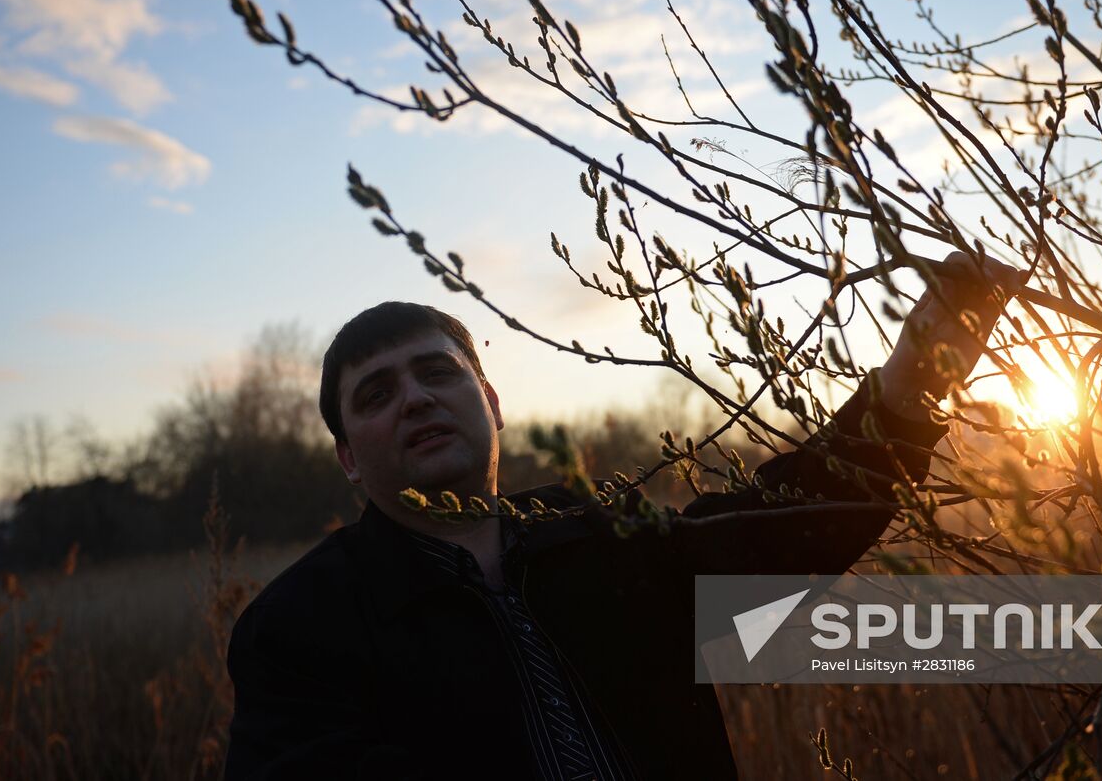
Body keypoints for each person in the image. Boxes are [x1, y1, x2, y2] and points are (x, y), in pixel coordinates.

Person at [224, 252, 1021, 780]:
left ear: (492, 404)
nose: (415, 398)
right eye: (377, 394)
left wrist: (910, 383)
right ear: (349, 459)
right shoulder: (298, 630)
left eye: (437, 372)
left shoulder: (596, 534)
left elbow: (781, 535)